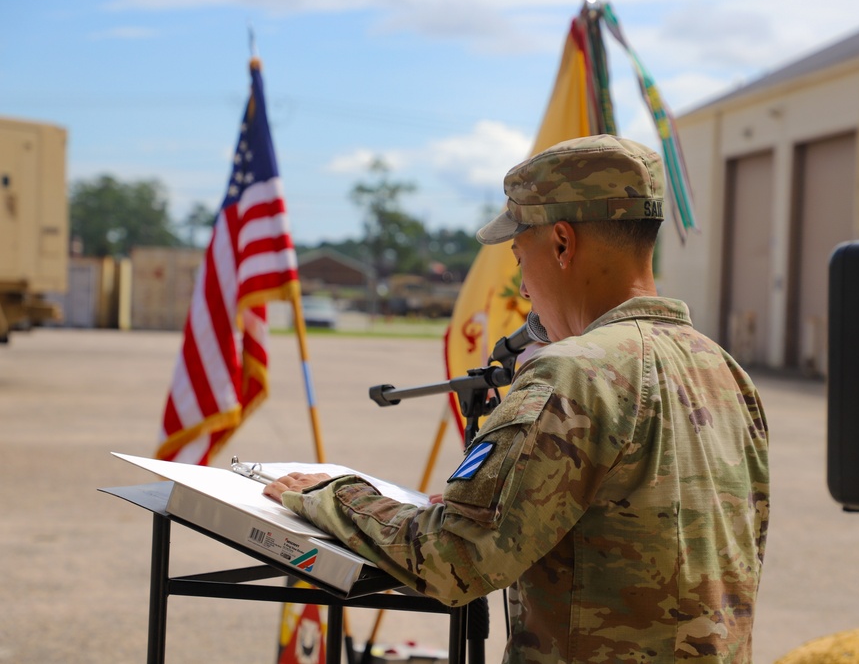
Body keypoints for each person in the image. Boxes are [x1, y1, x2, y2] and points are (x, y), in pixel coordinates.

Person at [265, 134, 770, 663]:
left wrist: (330, 494)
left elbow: (452, 561)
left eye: (518, 256)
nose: (523, 287)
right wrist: (510, 503)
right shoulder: (726, 371)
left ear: (561, 243)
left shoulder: (573, 372)